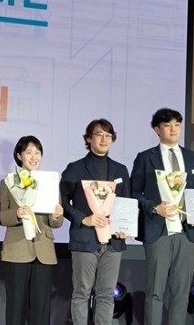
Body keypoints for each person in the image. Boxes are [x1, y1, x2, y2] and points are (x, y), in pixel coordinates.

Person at [131, 108, 194, 325]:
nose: (173, 129)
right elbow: (134, 192)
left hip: (186, 230)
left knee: (181, 291)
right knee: (155, 290)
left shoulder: (192, 157)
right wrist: (155, 208)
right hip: (158, 230)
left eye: (177, 125)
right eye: (167, 125)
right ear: (157, 129)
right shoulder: (145, 158)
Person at [59, 119, 131, 325]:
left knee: (106, 294)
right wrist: (83, 218)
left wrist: (124, 227)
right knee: (82, 292)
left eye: (108, 136)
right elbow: (61, 201)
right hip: (85, 240)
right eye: (99, 134)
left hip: (113, 242)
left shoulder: (120, 170)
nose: (104, 139)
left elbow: (126, 203)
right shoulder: (75, 168)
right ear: (89, 138)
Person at [0, 135, 63, 325]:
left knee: (41, 307)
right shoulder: (9, 182)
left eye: (37, 152)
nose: (34, 157)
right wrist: (17, 213)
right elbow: (0, 216)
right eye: (28, 152)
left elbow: (56, 223)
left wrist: (57, 215)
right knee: (15, 306)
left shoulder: (50, 182)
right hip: (17, 249)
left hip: (44, 250)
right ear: (19, 156)